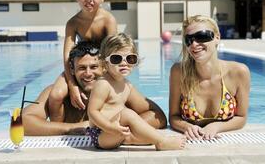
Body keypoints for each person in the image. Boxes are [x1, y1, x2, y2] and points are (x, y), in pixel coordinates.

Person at [22, 41, 167, 136]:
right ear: (72, 70)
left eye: (94, 67)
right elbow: (22, 121)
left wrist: (117, 127)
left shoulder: (118, 89)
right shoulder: (57, 92)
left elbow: (158, 116)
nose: (88, 73)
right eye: (82, 68)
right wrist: (72, 128)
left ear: (104, 67)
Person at [87, 33, 186, 150]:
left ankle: (131, 139)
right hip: (101, 134)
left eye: (130, 58)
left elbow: (153, 114)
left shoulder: (127, 85)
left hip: (116, 133)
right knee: (126, 113)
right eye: (116, 58)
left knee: (146, 134)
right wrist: (110, 127)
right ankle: (161, 141)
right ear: (105, 62)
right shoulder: (103, 84)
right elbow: (92, 112)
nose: (124, 63)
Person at [48, 0, 118, 122]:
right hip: (82, 67)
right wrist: (72, 86)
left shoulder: (108, 20)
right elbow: (67, 56)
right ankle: (56, 131)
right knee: (55, 95)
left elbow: (113, 55)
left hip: (103, 68)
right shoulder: (73, 23)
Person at [169, 15, 250, 141]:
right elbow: (174, 117)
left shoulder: (239, 72)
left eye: (202, 36)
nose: (194, 44)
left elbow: (242, 117)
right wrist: (187, 127)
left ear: (217, 37)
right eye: (189, 39)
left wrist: (217, 126)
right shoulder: (179, 72)